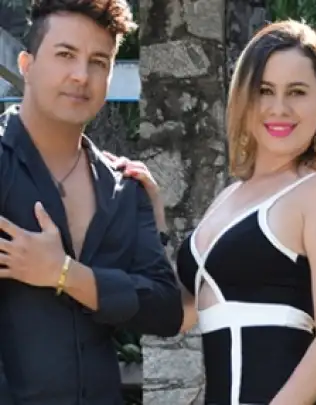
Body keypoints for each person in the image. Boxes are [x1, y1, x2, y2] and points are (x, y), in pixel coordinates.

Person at [112, 20, 316, 405]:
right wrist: (154, 215)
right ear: (244, 99)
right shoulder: (229, 197)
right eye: (264, 90)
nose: (279, 108)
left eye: (297, 92)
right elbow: (183, 314)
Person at [0, 0, 183, 404]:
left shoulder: (124, 188)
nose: (82, 75)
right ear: (27, 65)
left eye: (98, 62)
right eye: (65, 54)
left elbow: (166, 311)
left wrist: (65, 274)